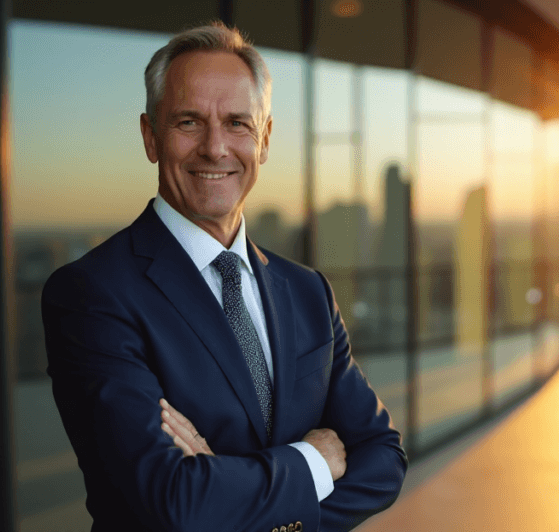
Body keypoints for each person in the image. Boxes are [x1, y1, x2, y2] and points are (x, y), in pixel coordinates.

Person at [41, 22, 407, 532]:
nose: (215, 148)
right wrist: (313, 463)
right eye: (189, 122)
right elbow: (172, 502)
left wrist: (237, 497)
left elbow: (383, 459)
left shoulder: (307, 293)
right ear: (150, 136)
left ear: (265, 139)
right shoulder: (92, 295)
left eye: (238, 123)